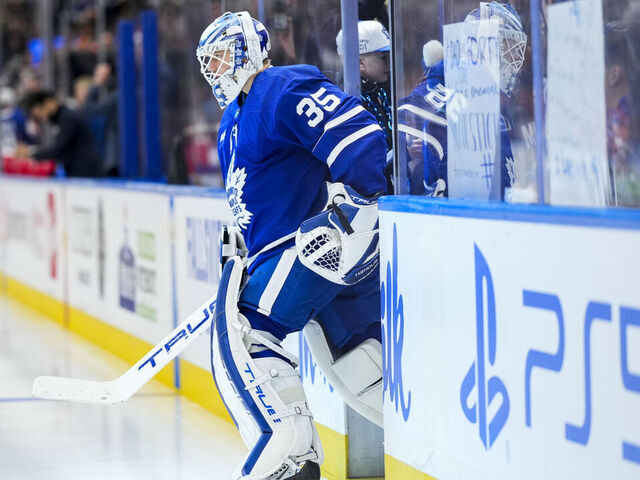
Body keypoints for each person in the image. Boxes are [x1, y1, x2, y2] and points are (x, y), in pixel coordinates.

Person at [196, 11, 387, 480]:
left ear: (250, 50)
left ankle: (291, 458)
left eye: (223, 56)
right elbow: (254, 198)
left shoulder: (278, 88)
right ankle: (443, 441)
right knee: (358, 366)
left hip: (317, 247)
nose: (216, 70)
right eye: (209, 63)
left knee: (247, 328)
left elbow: (357, 135)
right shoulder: (229, 124)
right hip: (293, 256)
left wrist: (363, 204)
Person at [398, 2, 527, 199]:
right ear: (483, 46)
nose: (515, 57)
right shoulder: (463, 98)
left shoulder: (473, 92)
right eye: (508, 46)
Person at [336, 20, 392, 152]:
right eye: (384, 58)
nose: (390, 64)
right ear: (360, 62)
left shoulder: (377, 90)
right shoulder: (349, 100)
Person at [18, 89, 102, 177]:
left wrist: (31, 153)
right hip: (75, 172)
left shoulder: (68, 118)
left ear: (48, 102)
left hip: (87, 174)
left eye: (41, 111)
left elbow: (60, 148)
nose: (42, 117)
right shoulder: (58, 119)